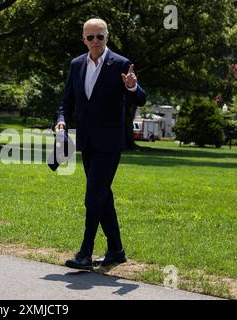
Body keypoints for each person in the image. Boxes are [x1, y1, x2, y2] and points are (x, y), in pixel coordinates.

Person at [55, 18, 147, 270]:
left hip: (110, 142)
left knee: (93, 195)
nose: (95, 42)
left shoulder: (121, 64)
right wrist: (61, 122)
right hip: (87, 141)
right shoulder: (76, 65)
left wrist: (132, 86)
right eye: (90, 37)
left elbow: (141, 98)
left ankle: (85, 253)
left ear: (107, 37)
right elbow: (66, 101)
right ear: (83, 39)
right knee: (102, 196)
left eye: (100, 37)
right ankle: (116, 251)